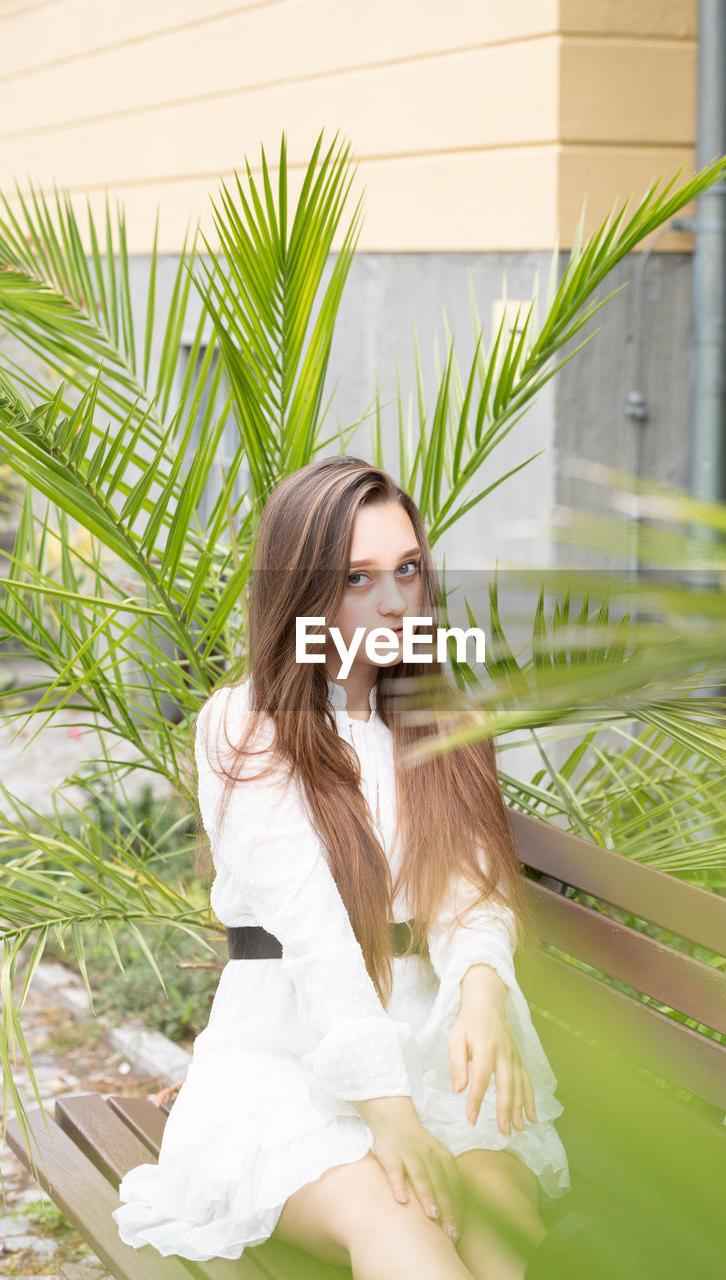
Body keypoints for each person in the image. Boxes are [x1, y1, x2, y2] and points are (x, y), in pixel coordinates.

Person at [113, 456, 571, 1279]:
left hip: (435, 1055)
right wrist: (387, 1112)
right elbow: (315, 936)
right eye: (358, 577)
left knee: (501, 1240)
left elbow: (470, 891)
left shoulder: (438, 719)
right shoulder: (249, 723)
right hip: (291, 1060)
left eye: (407, 569)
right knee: (400, 1223)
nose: (395, 600)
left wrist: (480, 996)